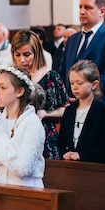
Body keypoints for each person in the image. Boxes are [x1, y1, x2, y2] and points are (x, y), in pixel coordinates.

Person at [57, 0, 105, 109]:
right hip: (71, 104)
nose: (82, 11)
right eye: (80, 7)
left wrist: (83, 95)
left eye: (88, 8)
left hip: (99, 104)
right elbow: (63, 71)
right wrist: (66, 96)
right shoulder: (73, 39)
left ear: (102, 12)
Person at [11, 30, 69, 159]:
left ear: (36, 52)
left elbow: (66, 109)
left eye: (27, 54)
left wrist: (46, 113)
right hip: (16, 134)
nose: (22, 60)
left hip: (43, 135)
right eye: (17, 54)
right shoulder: (12, 77)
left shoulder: (50, 76)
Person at [0, 65, 45, 188]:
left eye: (3, 87)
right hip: (1, 182)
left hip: (25, 187)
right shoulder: (0, 119)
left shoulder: (32, 123)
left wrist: (1, 139)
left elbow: (23, 168)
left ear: (19, 91)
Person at [58, 60, 105, 164]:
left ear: (94, 85)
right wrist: (65, 153)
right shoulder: (69, 111)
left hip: (95, 168)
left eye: (80, 83)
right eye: (72, 83)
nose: (75, 87)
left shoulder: (104, 112)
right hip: (69, 166)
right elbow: (61, 141)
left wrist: (82, 155)